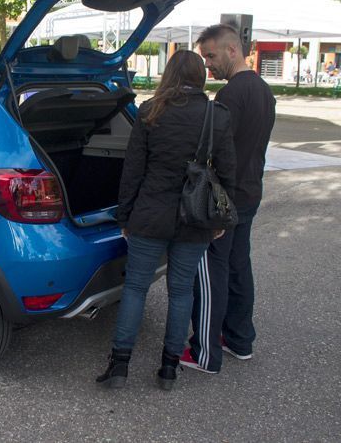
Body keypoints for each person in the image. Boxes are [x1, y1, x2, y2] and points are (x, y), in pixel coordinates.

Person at [96, 50, 236, 390]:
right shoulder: (216, 116)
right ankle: (169, 367)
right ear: (200, 78)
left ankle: (119, 365)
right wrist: (220, 220)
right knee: (181, 292)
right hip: (195, 220)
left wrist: (125, 215)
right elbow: (228, 173)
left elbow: (133, 172)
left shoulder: (150, 112)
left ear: (170, 75)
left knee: (135, 288)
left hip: (149, 215)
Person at [183, 24, 276, 374]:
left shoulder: (228, 98)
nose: (208, 64)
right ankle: (239, 340)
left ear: (232, 50)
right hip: (250, 192)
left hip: (224, 200)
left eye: (211, 55)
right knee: (239, 265)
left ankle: (205, 351)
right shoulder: (264, 90)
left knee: (210, 271)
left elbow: (213, 154)